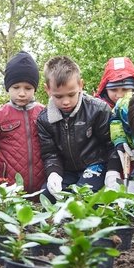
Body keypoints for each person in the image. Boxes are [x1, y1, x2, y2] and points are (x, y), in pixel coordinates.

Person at [37, 56, 113, 199]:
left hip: (96, 165)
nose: (66, 102)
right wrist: (54, 174)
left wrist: (113, 171)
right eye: (58, 97)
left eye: (71, 94)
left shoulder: (98, 110)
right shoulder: (44, 119)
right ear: (47, 90)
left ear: (80, 85)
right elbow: (50, 154)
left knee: (81, 196)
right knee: (47, 195)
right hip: (67, 171)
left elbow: (110, 144)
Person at [0, 51, 45, 193]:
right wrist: (2, 170)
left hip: (44, 190)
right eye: (16, 87)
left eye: (28, 88)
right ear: (8, 87)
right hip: (10, 192)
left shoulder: (44, 113)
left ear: (35, 89)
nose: (22, 93)